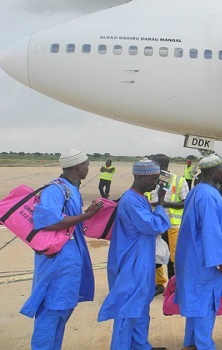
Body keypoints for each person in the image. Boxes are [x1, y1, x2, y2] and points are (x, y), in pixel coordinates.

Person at [21, 149, 103, 350]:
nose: (88, 169)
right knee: (51, 312)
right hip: (57, 262)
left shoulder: (71, 188)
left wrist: (89, 214)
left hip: (69, 260)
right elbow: (48, 220)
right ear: (78, 167)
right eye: (86, 165)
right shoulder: (55, 190)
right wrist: (87, 215)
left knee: (63, 310)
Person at [97, 159, 170, 350]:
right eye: (153, 179)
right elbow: (154, 225)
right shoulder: (131, 200)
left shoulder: (140, 197)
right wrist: (161, 204)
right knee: (128, 310)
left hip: (141, 261)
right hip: (131, 263)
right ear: (139, 177)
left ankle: (140, 345)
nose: (156, 183)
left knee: (140, 307)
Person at [175, 154, 222, 350]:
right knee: (205, 304)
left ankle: (191, 343)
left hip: (195, 257)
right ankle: (204, 345)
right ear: (212, 172)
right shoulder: (207, 195)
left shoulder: (198, 191)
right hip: (205, 260)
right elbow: (211, 230)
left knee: (196, 301)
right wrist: (221, 261)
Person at [149, 154, 189, 285]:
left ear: (163, 166)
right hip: (156, 226)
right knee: (156, 256)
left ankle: (175, 286)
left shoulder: (179, 181)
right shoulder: (151, 181)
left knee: (174, 259)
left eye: (154, 165)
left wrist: (163, 204)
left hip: (174, 226)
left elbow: (186, 203)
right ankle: (158, 284)